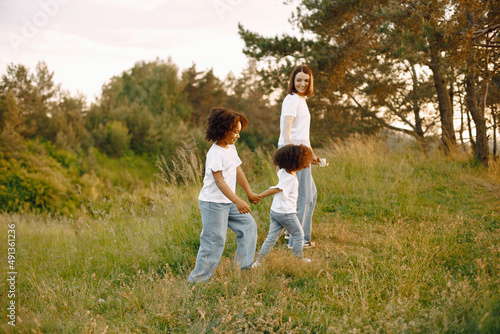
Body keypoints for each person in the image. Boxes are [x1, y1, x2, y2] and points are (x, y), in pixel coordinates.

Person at [188, 107, 261, 283]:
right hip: (213, 203)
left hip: (227, 201)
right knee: (214, 241)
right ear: (222, 130)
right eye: (235, 132)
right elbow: (219, 181)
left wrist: (248, 193)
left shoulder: (230, 148)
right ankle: (198, 281)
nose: (238, 135)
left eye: (239, 131)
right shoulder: (215, 153)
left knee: (248, 226)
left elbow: (237, 170)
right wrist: (238, 201)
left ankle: (243, 268)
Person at [278, 65, 320, 249]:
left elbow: (302, 133)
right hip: (293, 150)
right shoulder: (292, 99)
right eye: (299, 80)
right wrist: (289, 146)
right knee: (303, 196)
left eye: (306, 80)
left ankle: (291, 233)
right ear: (293, 81)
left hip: (301, 150)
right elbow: (288, 122)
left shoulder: (302, 100)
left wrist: (311, 155)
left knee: (310, 194)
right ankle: (298, 240)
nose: (302, 83)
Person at [252, 144, 314, 267]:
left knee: (271, 238)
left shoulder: (282, 171)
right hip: (286, 213)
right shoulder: (290, 178)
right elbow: (276, 189)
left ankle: (258, 262)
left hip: (275, 211)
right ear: (298, 162)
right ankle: (298, 259)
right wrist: (260, 195)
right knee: (299, 235)